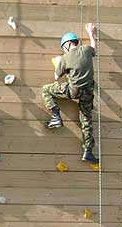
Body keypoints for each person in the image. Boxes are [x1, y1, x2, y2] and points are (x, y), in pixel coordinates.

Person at [42, 23, 99, 163]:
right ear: (76, 42)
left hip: (73, 91)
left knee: (46, 89)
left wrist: (59, 64)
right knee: (86, 121)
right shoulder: (86, 50)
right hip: (88, 93)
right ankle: (88, 151)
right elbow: (94, 46)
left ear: (66, 45)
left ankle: (56, 116)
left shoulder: (64, 58)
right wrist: (90, 32)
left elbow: (57, 77)